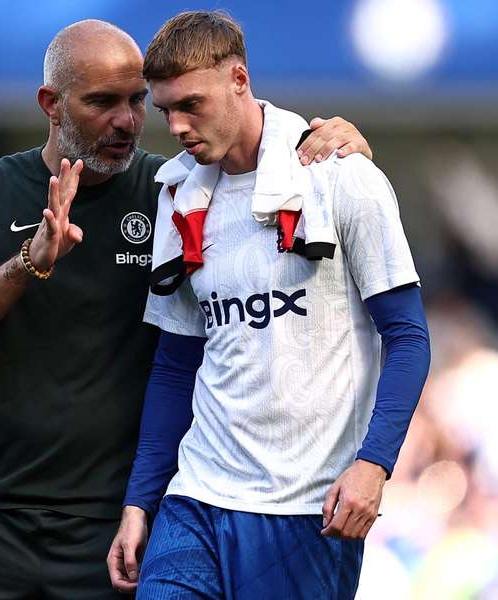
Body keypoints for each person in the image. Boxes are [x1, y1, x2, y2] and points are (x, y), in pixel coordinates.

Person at [0, 17, 373, 600]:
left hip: (120, 519)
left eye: (137, 102)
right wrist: (26, 265)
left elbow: (277, 181)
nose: (127, 121)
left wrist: (340, 150)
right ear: (50, 104)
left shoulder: (176, 192)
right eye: (103, 102)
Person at [106, 11, 431, 599]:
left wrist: (374, 465)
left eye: (191, 105)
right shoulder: (177, 196)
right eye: (165, 110)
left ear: (239, 79)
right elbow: (176, 364)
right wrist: (139, 501)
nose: (176, 126)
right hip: (197, 496)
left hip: (306, 506)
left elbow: (407, 336)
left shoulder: (341, 177)